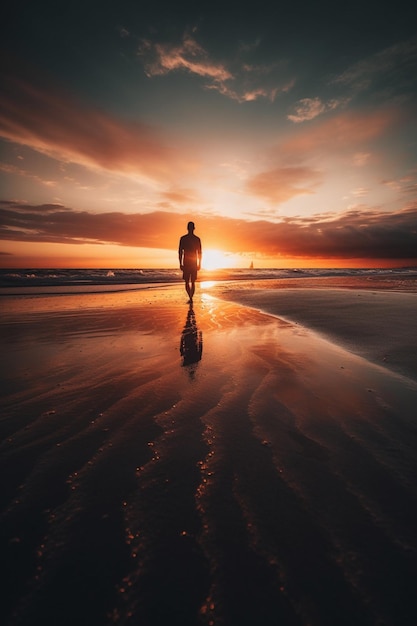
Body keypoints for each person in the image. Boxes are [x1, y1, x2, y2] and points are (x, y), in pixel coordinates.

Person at [178, 221, 202, 303]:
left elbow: (180, 252)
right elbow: (199, 253)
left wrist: (180, 263)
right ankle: (191, 297)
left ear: (188, 228)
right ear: (193, 228)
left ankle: (190, 297)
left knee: (188, 281)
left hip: (188, 262)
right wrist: (199, 263)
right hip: (192, 262)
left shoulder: (184, 239)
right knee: (191, 281)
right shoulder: (196, 239)